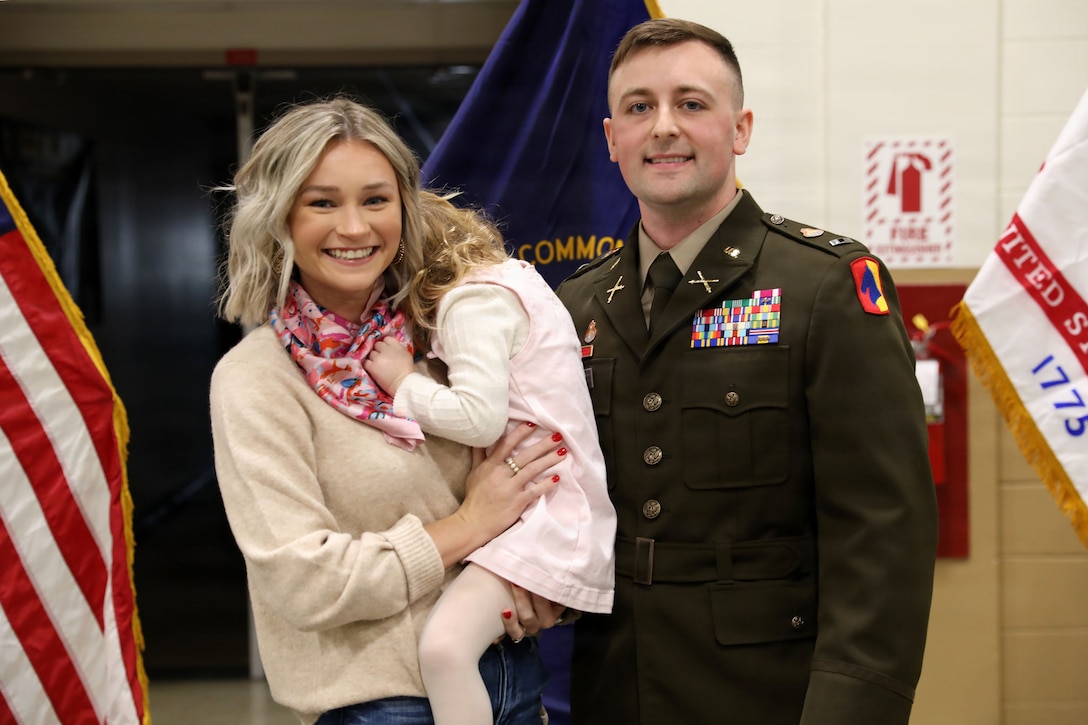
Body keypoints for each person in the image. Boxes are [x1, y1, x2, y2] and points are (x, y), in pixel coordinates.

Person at [555, 18, 939, 725]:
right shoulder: (574, 305)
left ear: (740, 129)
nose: (663, 127)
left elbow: (883, 535)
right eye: (639, 107)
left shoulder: (825, 287)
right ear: (613, 139)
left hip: (770, 696)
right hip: (613, 687)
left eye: (692, 104)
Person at [209, 97, 567, 725]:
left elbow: (534, 474)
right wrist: (470, 523)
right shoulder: (255, 380)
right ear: (279, 217)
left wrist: (537, 575)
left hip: (513, 680)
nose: (354, 228)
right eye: (323, 202)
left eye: (375, 200)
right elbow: (306, 581)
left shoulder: (447, 337)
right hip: (379, 704)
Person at [364, 192, 616, 725]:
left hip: (545, 515)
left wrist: (402, 382)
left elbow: (478, 417)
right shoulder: (513, 282)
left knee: (444, 650)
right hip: (552, 510)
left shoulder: (469, 304)